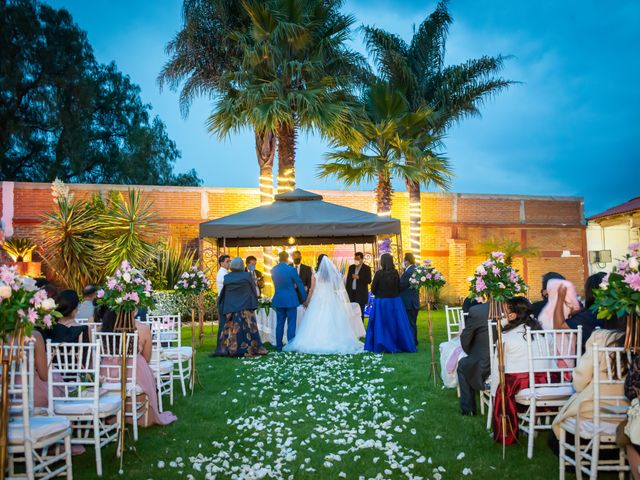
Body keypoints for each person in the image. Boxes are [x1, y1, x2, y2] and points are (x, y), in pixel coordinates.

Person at [548, 317, 627, 457]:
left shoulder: (601, 337)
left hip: (595, 411)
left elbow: (580, 382)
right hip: (628, 415)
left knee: (557, 433)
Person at [98, 308, 177, 426]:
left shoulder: (102, 329)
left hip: (106, 376)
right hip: (134, 376)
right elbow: (147, 358)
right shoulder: (142, 328)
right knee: (144, 370)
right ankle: (140, 411)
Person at [490, 297, 550, 445]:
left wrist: (494, 393)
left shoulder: (505, 337)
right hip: (547, 382)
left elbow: (497, 370)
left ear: (512, 315)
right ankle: (533, 421)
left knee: (503, 386)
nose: (500, 315)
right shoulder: (543, 333)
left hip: (521, 384)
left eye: (503, 312)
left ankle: (508, 430)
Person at [285, 254, 364, 355]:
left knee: (316, 320)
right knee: (333, 320)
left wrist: (307, 301)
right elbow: (336, 287)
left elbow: (312, 290)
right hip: (331, 299)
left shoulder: (316, 274)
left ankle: (316, 340)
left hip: (318, 300)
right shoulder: (332, 274)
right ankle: (334, 339)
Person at [364, 253, 417, 354]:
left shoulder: (379, 273)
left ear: (382, 262)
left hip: (381, 302)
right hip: (394, 302)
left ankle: (381, 344)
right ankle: (398, 344)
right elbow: (398, 287)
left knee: (381, 324)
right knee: (396, 324)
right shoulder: (395, 273)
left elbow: (373, 289)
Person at [216, 257, 267, 357]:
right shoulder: (247, 276)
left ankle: (232, 349)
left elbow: (224, 293)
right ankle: (249, 348)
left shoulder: (227, 277)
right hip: (245, 307)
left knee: (233, 329)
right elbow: (253, 289)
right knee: (247, 329)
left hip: (231, 308)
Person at [551, 273, 606, 352]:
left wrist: (560, 297)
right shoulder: (622, 313)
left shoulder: (589, 315)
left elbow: (559, 326)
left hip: (590, 360)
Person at [457, 302, 491, 416]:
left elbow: (466, 338)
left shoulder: (477, 311)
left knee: (463, 365)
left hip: (485, 365)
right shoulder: (515, 307)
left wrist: (472, 353)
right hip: (512, 365)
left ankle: (468, 409)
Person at [271, 251, 307, 351]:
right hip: (291, 300)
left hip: (279, 299)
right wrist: (304, 299)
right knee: (291, 324)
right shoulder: (291, 270)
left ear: (279, 258)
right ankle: (290, 346)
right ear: (287, 259)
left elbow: (277, 284)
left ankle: (278, 346)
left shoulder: (273, 270)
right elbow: (299, 284)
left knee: (279, 324)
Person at [399, 253, 420, 345]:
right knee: (413, 322)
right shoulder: (415, 269)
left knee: (410, 322)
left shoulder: (408, 272)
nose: (403, 262)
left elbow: (401, 285)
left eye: (404, 260)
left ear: (407, 261)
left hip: (408, 301)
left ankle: (412, 341)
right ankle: (414, 340)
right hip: (414, 300)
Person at [345, 252, 372, 321]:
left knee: (360, 312)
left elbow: (369, 280)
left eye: (358, 259)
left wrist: (359, 277)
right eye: (355, 259)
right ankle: (353, 328)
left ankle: (361, 329)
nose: (356, 260)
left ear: (362, 259)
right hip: (352, 293)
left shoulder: (367, 268)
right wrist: (347, 294)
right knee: (352, 313)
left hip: (361, 294)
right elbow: (348, 282)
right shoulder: (351, 267)